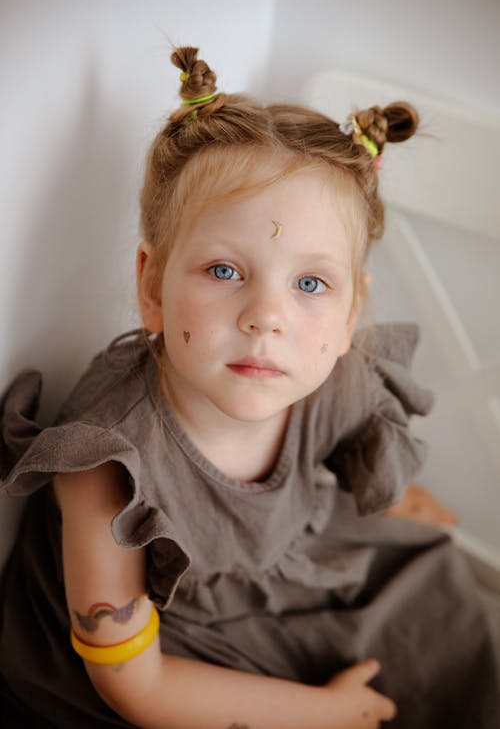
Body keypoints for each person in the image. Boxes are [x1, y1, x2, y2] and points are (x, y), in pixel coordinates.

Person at [0, 46, 497, 729]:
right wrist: (316, 711)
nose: (267, 317)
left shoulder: (330, 375)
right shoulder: (109, 459)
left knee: (446, 608)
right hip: (162, 656)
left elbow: (351, 443)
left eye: (311, 284)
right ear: (153, 287)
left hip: (279, 571)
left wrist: (392, 500)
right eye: (225, 271)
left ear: (350, 315)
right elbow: (134, 689)